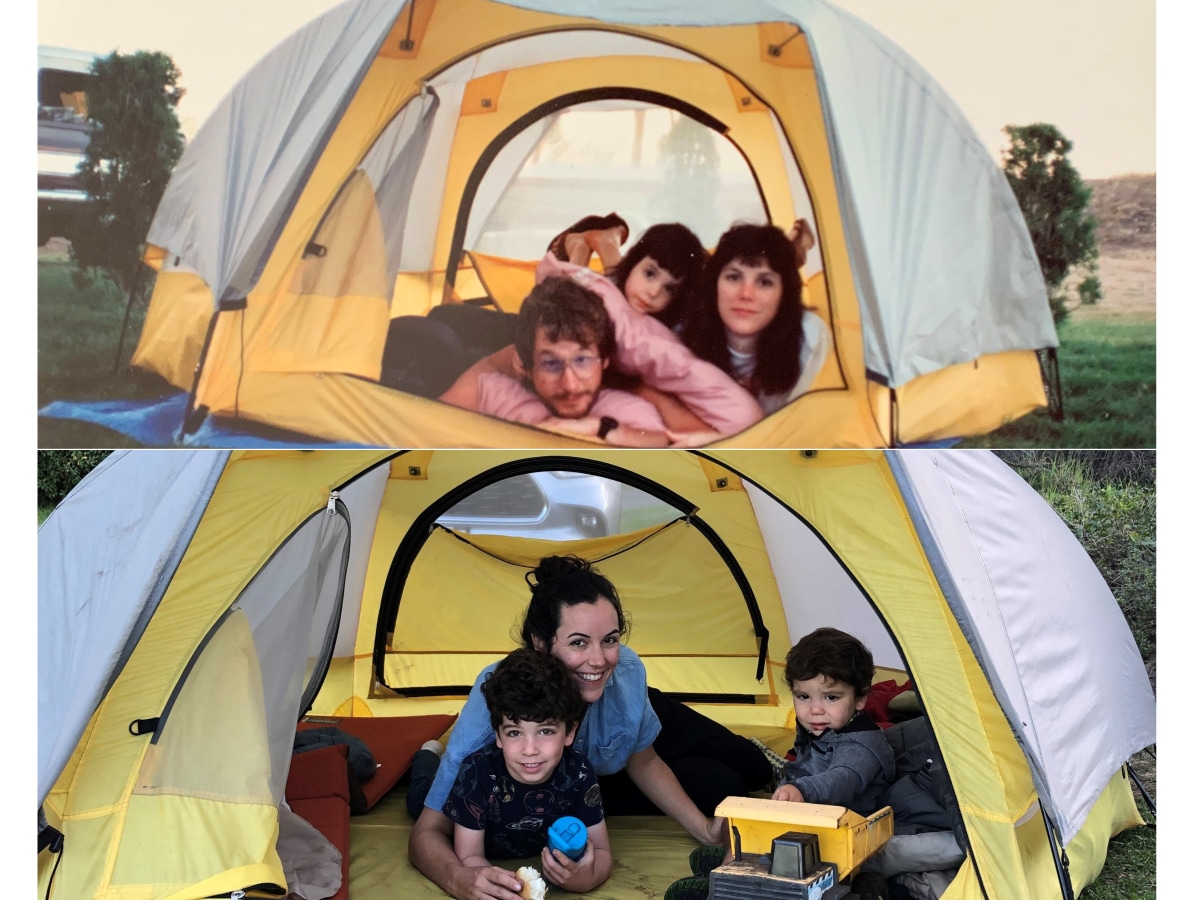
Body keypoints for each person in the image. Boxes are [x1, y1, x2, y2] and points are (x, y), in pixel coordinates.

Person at [408, 555, 771, 900]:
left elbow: (642, 760)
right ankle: (426, 758)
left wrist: (706, 832)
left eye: (610, 639)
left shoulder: (623, 672)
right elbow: (427, 833)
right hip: (567, 775)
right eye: (578, 642)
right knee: (726, 785)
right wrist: (460, 878)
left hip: (617, 707)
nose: (598, 658)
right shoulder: (500, 698)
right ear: (540, 641)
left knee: (755, 766)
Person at [443, 647, 612, 893]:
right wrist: (506, 888)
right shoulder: (477, 773)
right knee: (418, 792)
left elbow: (603, 851)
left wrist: (587, 878)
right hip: (449, 798)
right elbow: (469, 858)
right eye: (514, 732)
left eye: (545, 731)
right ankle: (425, 755)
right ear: (498, 735)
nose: (529, 749)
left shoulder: (579, 773)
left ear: (570, 732)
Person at [439, 276, 674, 447]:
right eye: (551, 364)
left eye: (582, 360)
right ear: (524, 366)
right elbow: (425, 428)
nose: (570, 385)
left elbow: (661, 445)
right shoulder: (492, 392)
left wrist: (599, 428)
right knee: (438, 324)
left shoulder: (630, 415)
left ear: (604, 362)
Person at [682, 222, 830, 416]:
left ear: (784, 293)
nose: (746, 294)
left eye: (764, 282)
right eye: (734, 277)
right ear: (714, 284)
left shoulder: (810, 338)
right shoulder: (683, 331)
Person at [771, 627, 895, 815]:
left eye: (831, 698)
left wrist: (801, 790)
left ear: (860, 699)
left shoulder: (859, 745)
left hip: (850, 826)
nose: (815, 710)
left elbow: (842, 779)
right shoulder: (820, 726)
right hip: (810, 808)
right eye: (804, 696)